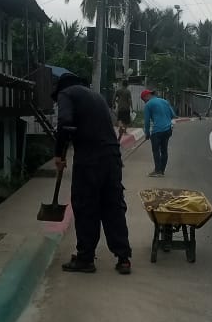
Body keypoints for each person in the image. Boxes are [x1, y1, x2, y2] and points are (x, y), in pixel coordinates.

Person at [53, 73, 132, 274]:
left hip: (90, 160)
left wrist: (59, 154)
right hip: (112, 157)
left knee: (86, 206)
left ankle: (85, 258)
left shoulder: (66, 94)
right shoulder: (95, 96)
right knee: (113, 206)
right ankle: (123, 258)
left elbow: (64, 122)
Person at [141, 89, 176, 177]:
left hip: (157, 131)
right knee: (164, 150)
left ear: (147, 96)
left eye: (144, 100)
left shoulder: (148, 105)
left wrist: (147, 133)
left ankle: (157, 171)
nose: (145, 102)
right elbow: (173, 115)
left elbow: (147, 121)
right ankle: (162, 170)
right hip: (168, 130)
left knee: (156, 151)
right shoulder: (164, 101)